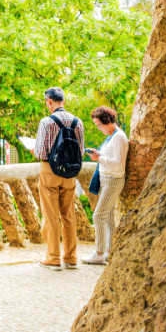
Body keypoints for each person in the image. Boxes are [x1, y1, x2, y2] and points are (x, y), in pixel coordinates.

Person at [31, 87, 85, 270]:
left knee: (51, 215)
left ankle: (53, 258)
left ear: (49, 101)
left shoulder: (47, 122)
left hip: (49, 172)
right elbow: (81, 151)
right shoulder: (78, 122)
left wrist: (32, 149)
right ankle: (71, 257)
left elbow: (40, 153)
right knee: (68, 215)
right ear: (64, 101)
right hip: (69, 174)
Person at [82, 106, 129, 265]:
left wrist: (99, 159)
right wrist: (99, 154)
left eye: (99, 125)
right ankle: (109, 250)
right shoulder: (111, 136)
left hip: (113, 180)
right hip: (105, 179)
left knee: (98, 215)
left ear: (108, 121)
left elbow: (118, 163)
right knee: (107, 218)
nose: (98, 128)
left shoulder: (119, 137)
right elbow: (110, 157)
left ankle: (99, 252)